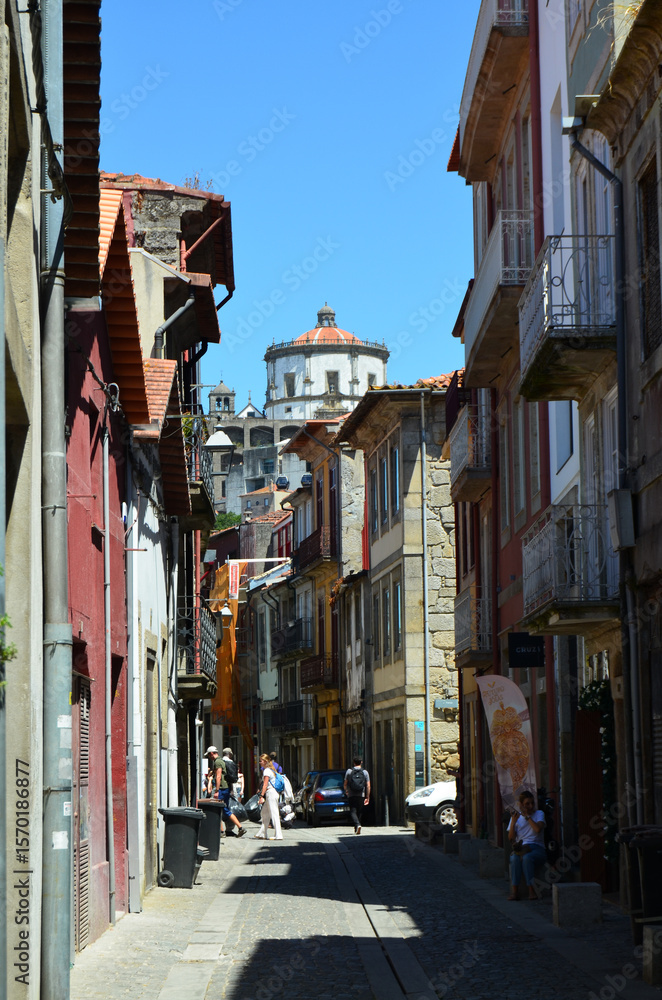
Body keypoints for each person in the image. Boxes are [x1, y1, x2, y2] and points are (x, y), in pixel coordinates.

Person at [507, 790, 546, 900]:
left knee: (527, 858)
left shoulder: (539, 814)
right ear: (521, 805)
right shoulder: (515, 817)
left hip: (537, 848)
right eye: (527, 804)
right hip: (522, 848)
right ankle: (515, 891)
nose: (530, 806)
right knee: (514, 858)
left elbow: (538, 829)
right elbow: (511, 838)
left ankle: (531, 890)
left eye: (532, 803)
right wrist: (514, 822)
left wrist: (528, 817)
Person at [205, 746, 246, 838]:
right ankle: (240, 828)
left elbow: (219, 776)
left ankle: (222, 831)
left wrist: (216, 790)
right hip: (225, 788)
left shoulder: (218, 762)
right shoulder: (220, 761)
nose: (209, 757)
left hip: (222, 789)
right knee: (225, 809)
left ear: (212, 753)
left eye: (208, 755)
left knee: (218, 809)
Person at [255, 753, 283, 840]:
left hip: (270, 793)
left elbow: (265, 784)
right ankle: (262, 833)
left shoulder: (267, 771)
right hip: (271, 793)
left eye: (261, 761)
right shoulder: (271, 770)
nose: (260, 762)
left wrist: (261, 796)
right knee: (264, 813)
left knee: (274, 814)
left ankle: (278, 834)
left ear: (265, 762)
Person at [344, 756, 370, 835]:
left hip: (352, 794)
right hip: (361, 794)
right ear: (361, 762)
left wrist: (346, 790)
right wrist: (367, 797)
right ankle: (357, 826)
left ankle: (357, 825)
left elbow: (345, 784)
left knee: (352, 811)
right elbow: (368, 785)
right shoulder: (365, 772)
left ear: (354, 762)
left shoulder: (349, 771)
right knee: (359, 811)